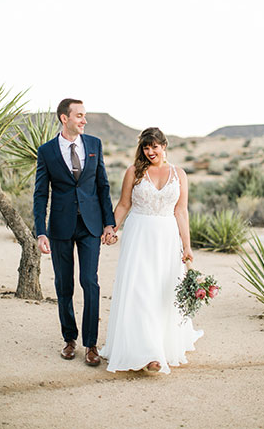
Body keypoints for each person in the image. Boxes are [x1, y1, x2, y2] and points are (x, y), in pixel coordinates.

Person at [99, 127, 203, 374]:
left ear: (164, 146)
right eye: (146, 147)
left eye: (154, 146)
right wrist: (112, 229)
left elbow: (181, 211)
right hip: (139, 236)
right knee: (140, 290)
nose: (150, 151)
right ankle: (149, 353)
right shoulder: (133, 172)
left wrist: (187, 246)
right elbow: (124, 204)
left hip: (167, 238)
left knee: (163, 291)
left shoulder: (179, 174)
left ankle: (161, 345)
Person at [33, 98, 117, 366]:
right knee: (64, 284)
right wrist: (40, 231)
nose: (84, 120)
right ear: (64, 118)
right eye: (79, 115)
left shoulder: (94, 144)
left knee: (90, 282)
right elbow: (39, 194)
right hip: (60, 227)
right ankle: (69, 339)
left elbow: (102, 185)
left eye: (85, 115)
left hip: (91, 225)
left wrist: (109, 223)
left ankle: (91, 344)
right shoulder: (46, 151)